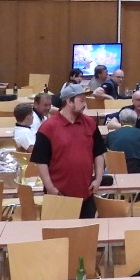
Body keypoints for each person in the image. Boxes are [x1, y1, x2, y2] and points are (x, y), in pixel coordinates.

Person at [30, 82, 106, 218]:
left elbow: (98, 153)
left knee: (86, 231)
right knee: (59, 232)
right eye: (81, 100)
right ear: (69, 101)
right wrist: (50, 188)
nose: (85, 104)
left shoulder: (90, 123)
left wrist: (98, 179)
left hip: (86, 194)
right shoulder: (48, 127)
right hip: (58, 195)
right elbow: (41, 161)